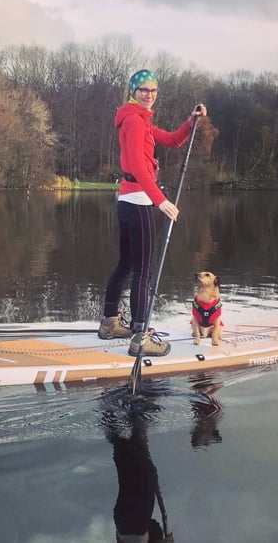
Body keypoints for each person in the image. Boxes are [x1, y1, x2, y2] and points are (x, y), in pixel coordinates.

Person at [98, 69, 207, 357]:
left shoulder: (141, 121)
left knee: (126, 265)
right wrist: (160, 200)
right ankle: (140, 336)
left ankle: (110, 323)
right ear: (133, 92)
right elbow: (137, 165)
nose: (148, 94)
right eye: (143, 89)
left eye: (153, 90)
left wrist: (191, 122)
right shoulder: (134, 121)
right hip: (139, 202)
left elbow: (172, 140)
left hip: (126, 200)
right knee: (143, 273)